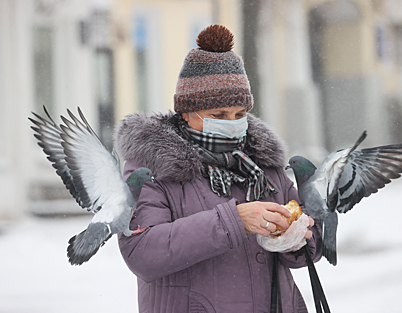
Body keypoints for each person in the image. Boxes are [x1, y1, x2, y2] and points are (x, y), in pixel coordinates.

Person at [114, 25, 322, 313]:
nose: (232, 123)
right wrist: (232, 221)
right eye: (219, 115)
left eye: (239, 114)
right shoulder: (151, 166)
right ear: (186, 113)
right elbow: (142, 252)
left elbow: (305, 253)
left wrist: (297, 238)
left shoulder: (262, 163)